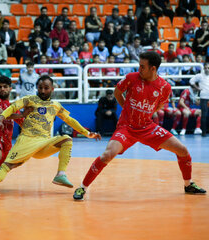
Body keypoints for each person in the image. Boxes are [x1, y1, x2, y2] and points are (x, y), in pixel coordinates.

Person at [73, 52, 206, 201]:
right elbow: (117, 92)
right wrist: (126, 109)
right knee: (107, 154)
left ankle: (188, 185)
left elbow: (161, 105)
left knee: (182, 150)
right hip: (126, 127)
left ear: (153, 69)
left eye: (143, 67)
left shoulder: (164, 87)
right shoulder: (131, 78)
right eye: (139, 66)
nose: (139, 69)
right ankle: (82, 187)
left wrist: (147, 114)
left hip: (147, 127)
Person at [0, 75, 101, 196]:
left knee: (66, 139)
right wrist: (0, 119)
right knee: (8, 166)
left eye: (46, 88)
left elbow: (70, 120)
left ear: (52, 89)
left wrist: (87, 133)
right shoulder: (29, 100)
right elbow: (13, 107)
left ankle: (60, 175)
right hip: (26, 141)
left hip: (43, 144)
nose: (42, 91)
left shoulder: (55, 105)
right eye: (40, 88)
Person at [190, 63, 209, 136]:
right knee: (204, 114)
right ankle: (203, 132)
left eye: (208, 68)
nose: (207, 69)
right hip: (204, 96)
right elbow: (191, 81)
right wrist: (197, 88)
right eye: (206, 68)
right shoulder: (200, 75)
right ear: (204, 68)